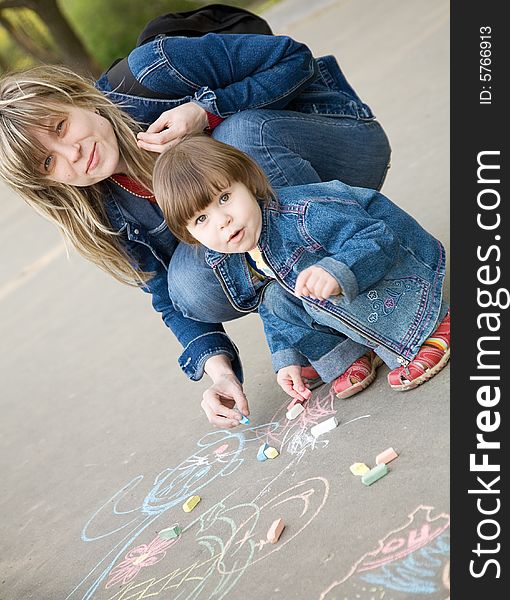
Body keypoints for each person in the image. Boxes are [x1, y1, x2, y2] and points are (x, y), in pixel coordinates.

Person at [0, 32, 391, 428]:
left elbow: (295, 59)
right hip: (281, 233)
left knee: (237, 139)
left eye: (61, 127)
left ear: (78, 99)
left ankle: (373, 297)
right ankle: (317, 319)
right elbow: (166, 295)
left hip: (340, 148)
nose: (73, 155)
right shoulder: (105, 210)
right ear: (45, 184)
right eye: (49, 163)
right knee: (186, 285)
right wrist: (219, 372)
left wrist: (207, 112)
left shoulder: (152, 70)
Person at [152, 135, 450, 396]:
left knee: (320, 284)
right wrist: (287, 358)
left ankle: (428, 327)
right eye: (201, 220)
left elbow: (379, 238)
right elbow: (271, 312)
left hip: (403, 266)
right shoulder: (233, 253)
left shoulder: (303, 216)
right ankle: (349, 354)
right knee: (273, 298)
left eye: (225, 198)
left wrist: (337, 268)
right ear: (190, 234)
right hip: (355, 288)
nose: (222, 221)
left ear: (248, 181)